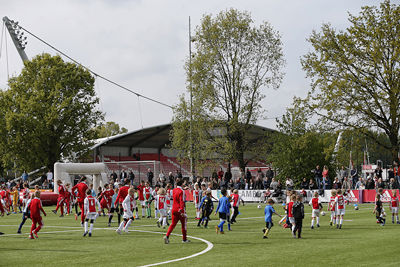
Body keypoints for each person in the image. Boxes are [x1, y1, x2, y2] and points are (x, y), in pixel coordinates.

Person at [164, 178, 189, 244]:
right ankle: (184, 239)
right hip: (179, 209)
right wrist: (182, 210)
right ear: (182, 184)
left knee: (173, 224)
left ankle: (167, 236)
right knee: (183, 225)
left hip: (173, 208)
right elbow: (181, 201)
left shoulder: (173, 190)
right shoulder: (182, 191)